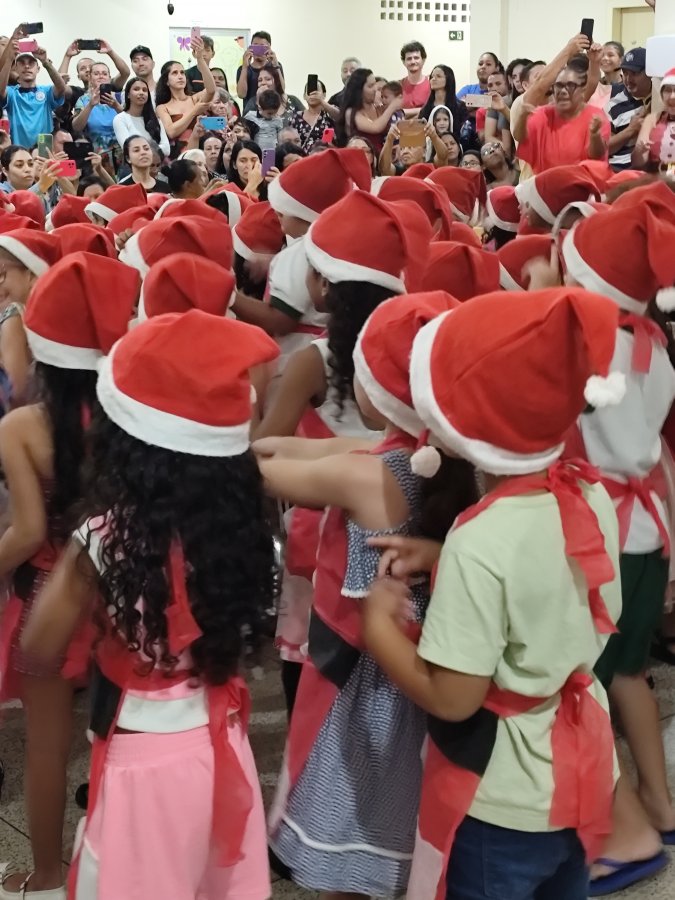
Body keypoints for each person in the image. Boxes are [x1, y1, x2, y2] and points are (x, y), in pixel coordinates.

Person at [364, 286, 624, 900]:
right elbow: (547, 579)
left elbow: (454, 698)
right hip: (583, 774)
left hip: (503, 800)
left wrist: (377, 628)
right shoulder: (586, 491)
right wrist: (443, 559)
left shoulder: (478, 539)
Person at [20, 310, 277, 900]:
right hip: (220, 736)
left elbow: (38, 643)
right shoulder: (244, 522)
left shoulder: (106, 537)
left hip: (142, 753)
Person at [262, 286, 475, 898]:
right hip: (423, 662)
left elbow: (266, 468)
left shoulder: (366, 472)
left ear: (376, 388)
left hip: (368, 676)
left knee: (354, 831)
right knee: (406, 819)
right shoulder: (436, 456)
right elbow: (311, 448)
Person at [0, 251, 140, 900]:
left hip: (46, 598)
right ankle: (118, 863)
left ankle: (49, 876)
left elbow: (28, 532)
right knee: (118, 736)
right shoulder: (131, 416)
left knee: (46, 746)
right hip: (125, 593)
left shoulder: (22, 427)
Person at [516, 56, 610, 175]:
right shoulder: (543, 114)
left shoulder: (595, 116)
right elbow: (521, 138)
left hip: (585, 183)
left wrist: (595, 135)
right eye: (559, 86)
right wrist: (522, 118)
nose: (563, 91)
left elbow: (596, 156)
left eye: (570, 86)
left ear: (582, 89)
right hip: (547, 182)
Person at [0, 28, 66, 148]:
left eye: (31, 63)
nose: (26, 66)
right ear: (16, 69)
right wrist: (9, 59)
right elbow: (0, 91)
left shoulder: (46, 91)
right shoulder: (12, 93)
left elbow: (61, 88)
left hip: (44, 152)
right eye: (22, 63)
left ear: (38, 69)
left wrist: (45, 61)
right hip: (19, 152)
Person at [155, 39, 216, 158]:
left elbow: (211, 90)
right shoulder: (162, 108)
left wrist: (200, 59)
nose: (180, 76)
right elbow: (171, 132)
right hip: (177, 158)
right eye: (175, 73)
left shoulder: (194, 99)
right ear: (166, 81)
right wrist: (194, 111)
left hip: (200, 154)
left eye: (182, 73)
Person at [606, 47, 652, 171]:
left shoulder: (663, 99)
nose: (628, 79)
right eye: (625, 73)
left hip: (650, 170)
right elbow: (605, 148)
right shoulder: (613, 104)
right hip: (617, 170)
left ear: (649, 73)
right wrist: (630, 130)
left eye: (634, 73)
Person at [337, 68, 403, 154]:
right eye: (370, 86)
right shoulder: (351, 112)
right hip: (363, 156)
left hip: (384, 156)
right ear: (359, 90)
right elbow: (375, 127)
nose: (375, 89)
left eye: (375, 84)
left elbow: (401, 114)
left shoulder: (378, 107)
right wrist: (392, 106)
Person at [72, 61, 124, 164]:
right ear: (90, 78)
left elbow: (131, 122)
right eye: (96, 74)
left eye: (104, 74)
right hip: (94, 158)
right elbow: (76, 127)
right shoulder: (83, 100)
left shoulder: (120, 98)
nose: (101, 76)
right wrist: (90, 105)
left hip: (121, 157)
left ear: (109, 78)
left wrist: (116, 106)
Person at [113, 76, 170, 158]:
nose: (141, 93)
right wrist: (155, 149)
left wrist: (140, 150)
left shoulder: (155, 119)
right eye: (136, 89)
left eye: (144, 90)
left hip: (157, 164)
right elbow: (129, 149)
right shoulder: (120, 119)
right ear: (128, 94)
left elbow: (167, 149)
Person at [633, 67, 675, 173]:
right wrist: (641, 152)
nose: (672, 96)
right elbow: (637, 164)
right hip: (655, 177)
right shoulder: (652, 119)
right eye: (667, 90)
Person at [236, 31, 285, 106]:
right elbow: (241, 94)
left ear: (269, 48)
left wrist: (275, 65)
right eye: (255, 46)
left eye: (262, 47)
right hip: (250, 110)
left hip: (272, 109)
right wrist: (245, 66)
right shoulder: (243, 69)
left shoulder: (275, 66)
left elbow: (282, 90)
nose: (258, 50)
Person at [420, 65, 466, 141]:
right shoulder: (425, 109)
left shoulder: (460, 107)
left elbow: (463, 133)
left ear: (448, 79)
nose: (433, 79)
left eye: (438, 76)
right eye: (432, 77)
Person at [289, 80, 332, 151]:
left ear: (324, 95)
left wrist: (322, 102)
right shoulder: (296, 118)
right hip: (301, 157)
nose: (312, 94)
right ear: (304, 96)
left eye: (316, 90)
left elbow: (331, 143)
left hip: (325, 155)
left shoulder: (330, 114)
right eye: (309, 90)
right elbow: (290, 143)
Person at [588, 41, 625, 109]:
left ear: (621, 60)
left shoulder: (628, 87)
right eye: (602, 55)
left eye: (610, 55)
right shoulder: (594, 86)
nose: (604, 58)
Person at [400, 40, 429, 113]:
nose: (413, 62)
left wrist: (403, 112)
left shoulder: (432, 84)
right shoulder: (398, 86)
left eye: (416, 58)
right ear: (404, 62)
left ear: (423, 60)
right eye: (409, 59)